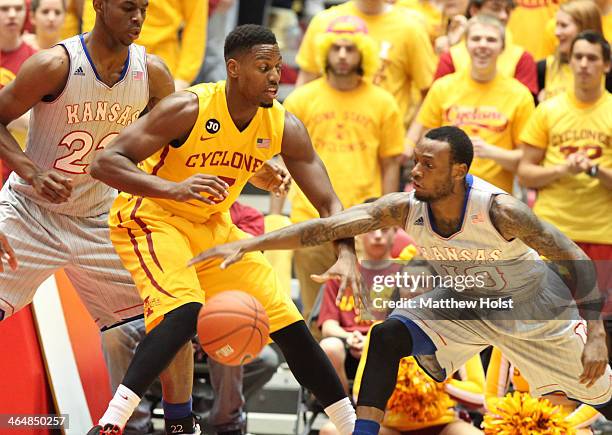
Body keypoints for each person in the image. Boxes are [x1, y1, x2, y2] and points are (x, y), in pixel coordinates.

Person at [191, 125, 612, 435]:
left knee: (602, 394)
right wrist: (251, 244)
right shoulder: (405, 206)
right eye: (415, 160)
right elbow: (326, 226)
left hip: (528, 305)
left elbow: (575, 257)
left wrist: (595, 333)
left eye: (429, 165)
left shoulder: (502, 211)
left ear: (459, 170)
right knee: (388, 335)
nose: (416, 171)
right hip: (463, 300)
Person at [88, 24, 359, 435]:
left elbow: (329, 202)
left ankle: (355, 425)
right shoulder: (189, 108)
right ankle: (112, 422)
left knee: (288, 323)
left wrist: (347, 252)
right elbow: (106, 163)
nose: (274, 76)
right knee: (183, 309)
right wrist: (174, 189)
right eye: (263, 66)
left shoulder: (283, 126)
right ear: (233, 68)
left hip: (212, 226)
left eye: (278, 67)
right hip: (151, 215)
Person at [0, 0, 206, 433]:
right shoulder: (54, 64)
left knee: (173, 315)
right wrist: (30, 170)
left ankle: (181, 425)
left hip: (100, 218)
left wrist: (254, 165)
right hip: (29, 212)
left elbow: (182, 146)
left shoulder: (152, 73)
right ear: (99, 6)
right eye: (128, 8)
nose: (138, 18)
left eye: (144, 10)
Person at [283, 14, 404, 327]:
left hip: (363, 221)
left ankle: (359, 375)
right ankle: (317, 376)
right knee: (314, 313)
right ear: (324, 51)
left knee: (365, 311)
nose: (342, 55)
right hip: (309, 216)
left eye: (350, 48)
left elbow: (391, 162)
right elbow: (282, 157)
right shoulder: (300, 99)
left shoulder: (383, 102)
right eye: (335, 47)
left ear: (362, 52)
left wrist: (387, 217)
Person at [518, 31, 612, 311]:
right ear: (570, 62)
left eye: (592, 58)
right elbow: (524, 173)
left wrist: (595, 171)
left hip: (602, 233)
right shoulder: (548, 110)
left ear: (606, 65)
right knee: (550, 318)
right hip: (553, 233)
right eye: (578, 57)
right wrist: (562, 169)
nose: (584, 64)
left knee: (601, 322)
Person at [408, 15, 534, 194]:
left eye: (491, 40)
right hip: (443, 196)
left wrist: (491, 152)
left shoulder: (520, 95)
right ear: (466, 44)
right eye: (476, 39)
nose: (483, 44)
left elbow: (527, 160)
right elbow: (423, 146)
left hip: (494, 200)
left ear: (502, 47)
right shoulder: (443, 87)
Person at [295, 0, 435, 124]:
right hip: (326, 133)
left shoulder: (410, 28)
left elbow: (428, 93)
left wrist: (410, 141)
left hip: (387, 141)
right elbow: (304, 84)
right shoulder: (324, 22)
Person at [318, 215, 401, 394]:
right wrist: (349, 338)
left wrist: (371, 342)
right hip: (347, 348)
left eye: (385, 230)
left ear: (395, 233)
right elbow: (328, 326)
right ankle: (346, 412)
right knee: (329, 346)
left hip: (387, 349)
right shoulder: (342, 274)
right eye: (371, 231)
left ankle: (387, 415)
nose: (378, 236)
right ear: (359, 235)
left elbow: (406, 327)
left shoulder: (407, 275)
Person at [82, 0, 207, 90]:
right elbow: (94, 14)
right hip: (107, 66)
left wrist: (182, 79)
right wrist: (92, 61)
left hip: (164, 66)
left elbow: (195, 25)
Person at [433, 0, 538, 96]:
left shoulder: (522, 58)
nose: (504, 16)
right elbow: (438, 102)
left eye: (507, 11)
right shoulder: (450, 57)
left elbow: (524, 107)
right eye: (495, 9)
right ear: (475, 10)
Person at [535, 0, 605, 102]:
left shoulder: (608, 70)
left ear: (584, 28)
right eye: (557, 25)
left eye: (564, 26)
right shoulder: (543, 68)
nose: (556, 32)